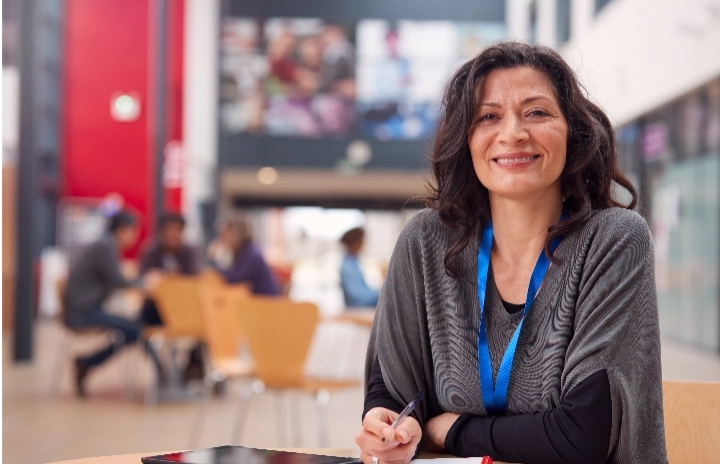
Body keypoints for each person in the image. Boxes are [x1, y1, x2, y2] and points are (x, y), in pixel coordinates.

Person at [356, 42, 666, 464]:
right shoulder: (425, 243)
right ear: (466, 140)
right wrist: (387, 426)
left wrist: (450, 428)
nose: (513, 133)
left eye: (537, 112)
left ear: (572, 132)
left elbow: (582, 437)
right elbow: (392, 392)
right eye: (488, 116)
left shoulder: (613, 241)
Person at [64, 211, 162, 397]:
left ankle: (87, 363)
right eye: (133, 231)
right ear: (121, 230)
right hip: (84, 311)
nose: (134, 236)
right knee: (138, 330)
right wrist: (145, 283)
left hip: (89, 307)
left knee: (135, 329)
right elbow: (119, 281)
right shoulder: (104, 246)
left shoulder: (106, 245)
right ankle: (163, 375)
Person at [137, 213, 199, 326]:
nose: (172, 234)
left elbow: (194, 279)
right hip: (155, 305)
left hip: (182, 305)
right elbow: (143, 278)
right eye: (169, 230)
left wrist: (170, 278)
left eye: (177, 230)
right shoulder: (151, 251)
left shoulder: (188, 252)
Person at [209, 217, 280, 296]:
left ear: (237, 235)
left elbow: (233, 278)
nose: (222, 239)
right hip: (259, 301)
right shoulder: (244, 253)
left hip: (269, 303)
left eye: (226, 234)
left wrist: (215, 258)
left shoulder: (252, 255)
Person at [339, 227, 380, 308]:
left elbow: (363, 290)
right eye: (362, 240)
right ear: (356, 243)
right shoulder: (347, 266)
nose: (364, 244)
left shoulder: (354, 262)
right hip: (358, 307)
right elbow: (356, 295)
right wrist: (379, 295)